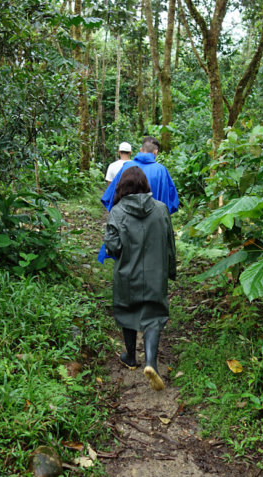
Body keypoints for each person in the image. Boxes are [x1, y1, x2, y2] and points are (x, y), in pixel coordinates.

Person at [104, 166, 176, 391]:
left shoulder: (117, 211)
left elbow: (112, 246)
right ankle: (151, 362)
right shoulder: (161, 209)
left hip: (127, 273)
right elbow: (169, 244)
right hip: (156, 274)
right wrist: (170, 270)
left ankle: (130, 357)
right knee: (154, 315)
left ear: (122, 187)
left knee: (128, 310)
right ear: (145, 185)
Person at [97, 136, 179, 263]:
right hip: (153, 225)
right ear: (156, 152)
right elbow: (171, 203)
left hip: (126, 225)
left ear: (140, 149)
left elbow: (110, 196)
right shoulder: (161, 171)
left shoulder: (127, 167)